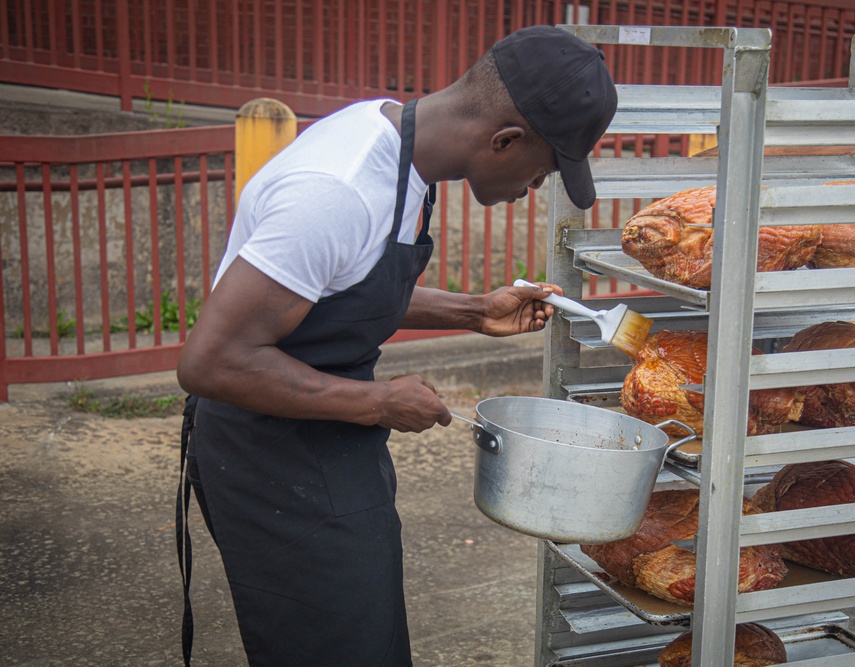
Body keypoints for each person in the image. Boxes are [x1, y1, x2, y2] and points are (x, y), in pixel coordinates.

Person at [175, 24, 617, 666]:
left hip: (328, 439)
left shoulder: (410, 154)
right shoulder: (337, 192)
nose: (536, 188)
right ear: (504, 141)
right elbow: (210, 362)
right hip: (268, 459)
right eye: (546, 169)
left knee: (371, 637)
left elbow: (337, 287)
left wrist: (472, 310)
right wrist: (379, 402)